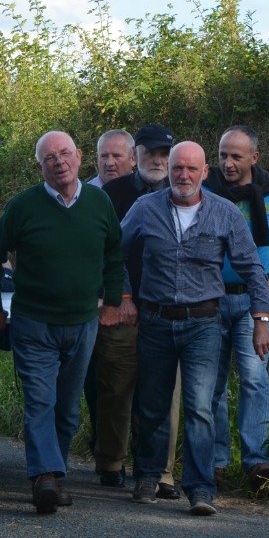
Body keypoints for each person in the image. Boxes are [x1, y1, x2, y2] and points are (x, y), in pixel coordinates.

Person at [121, 141, 269, 516]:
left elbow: (252, 269)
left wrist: (262, 319)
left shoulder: (224, 214)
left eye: (192, 169)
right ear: (169, 170)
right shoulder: (145, 209)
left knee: (200, 408)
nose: (183, 176)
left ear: (205, 173)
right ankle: (147, 475)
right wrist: (125, 294)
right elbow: (114, 251)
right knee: (153, 404)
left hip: (204, 323)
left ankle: (201, 488)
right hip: (155, 320)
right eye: (177, 168)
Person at [0, 132, 125, 514]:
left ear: (79, 157)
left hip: (83, 323)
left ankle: (55, 475)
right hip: (34, 323)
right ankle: (43, 475)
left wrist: (111, 303)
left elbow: (114, 252)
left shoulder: (99, 202)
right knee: (40, 400)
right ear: (39, 166)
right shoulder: (24, 206)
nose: (59, 161)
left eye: (65, 154)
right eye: (49, 157)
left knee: (67, 406)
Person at [203, 125, 269, 490]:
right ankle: (214, 462)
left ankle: (257, 462)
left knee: (255, 380)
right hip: (209, 300)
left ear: (254, 159)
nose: (227, 164)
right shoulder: (205, 191)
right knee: (210, 384)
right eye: (222, 155)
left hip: (253, 302)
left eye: (236, 157)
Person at [93, 122, 179, 494]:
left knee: (165, 396)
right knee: (116, 388)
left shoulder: (187, 194)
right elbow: (106, 251)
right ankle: (111, 460)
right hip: (123, 307)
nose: (157, 160)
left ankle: (161, 472)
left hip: (168, 312)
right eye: (150, 154)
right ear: (136, 156)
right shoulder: (111, 193)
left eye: (164, 154)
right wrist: (122, 297)